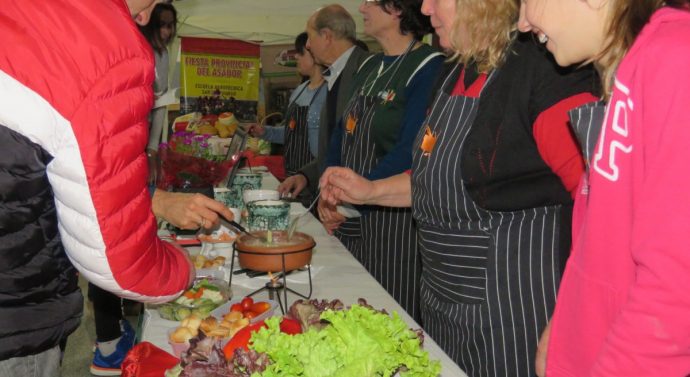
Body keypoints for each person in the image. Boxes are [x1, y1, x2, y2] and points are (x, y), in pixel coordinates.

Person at [319, 0, 598, 375]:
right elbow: (436, 185)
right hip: (443, 305)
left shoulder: (542, 72)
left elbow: (599, 206)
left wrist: (574, 316)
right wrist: (370, 191)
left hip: (513, 317)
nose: (425, 7)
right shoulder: (453, 72)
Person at [0, 1, 233, 376]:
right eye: (152, 3)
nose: (144, 17)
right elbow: (115, 259)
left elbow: (40, 162)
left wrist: (153, 199)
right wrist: (185, 271)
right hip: (13, 313)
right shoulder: (102, 40)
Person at [518, 0, 690, 376]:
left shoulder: (677, 57)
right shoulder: (630, 69)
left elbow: (677, 287)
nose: (523, 23)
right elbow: (598, 244)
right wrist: (563, 323)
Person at [318, 0, 444, 322]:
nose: (361, 8)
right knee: (345, 309)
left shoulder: (428, 66)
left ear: (397, 9)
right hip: (346, 214)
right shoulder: (368, 66)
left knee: (386, 316)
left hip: (393, 223)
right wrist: (328, 191)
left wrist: (350, 200)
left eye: (371, 1)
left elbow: (410, 150)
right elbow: (340, 133)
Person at [277, 4, 370, 200]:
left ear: (327, 36)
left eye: (310, 37)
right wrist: (305, 176)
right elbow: (331, 147)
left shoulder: (366, 72)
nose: (308, 45)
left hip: (357, 204)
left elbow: (362, 150)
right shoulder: (334, 75)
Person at [249, 32, 327, 180]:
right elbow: (291, 133)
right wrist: (265, 132)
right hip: (291, 174)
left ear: (314, 55)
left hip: (315, 177)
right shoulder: (300, 90)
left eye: (300, 53)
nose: (296, 57)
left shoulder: (329, 93)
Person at [140, 2, 178, 184]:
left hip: (146, 132)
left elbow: (161, 102)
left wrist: (153, 147)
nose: (167, 31)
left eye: (170, 26)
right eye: (162, 25)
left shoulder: (163, 53)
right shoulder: (139, 48)